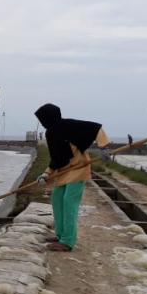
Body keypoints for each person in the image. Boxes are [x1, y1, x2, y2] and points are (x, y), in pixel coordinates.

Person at [35, 103, 109, 252]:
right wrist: (46, 174)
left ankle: (68, 241)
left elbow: (96, 128)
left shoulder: (69, 125)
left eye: (43, 118)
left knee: (69, 202)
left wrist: (104, 147)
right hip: (62, 172)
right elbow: (56, 158)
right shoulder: (50, 133)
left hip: (78, 169)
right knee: (57, 199)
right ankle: (60, 235)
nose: (42, 122)